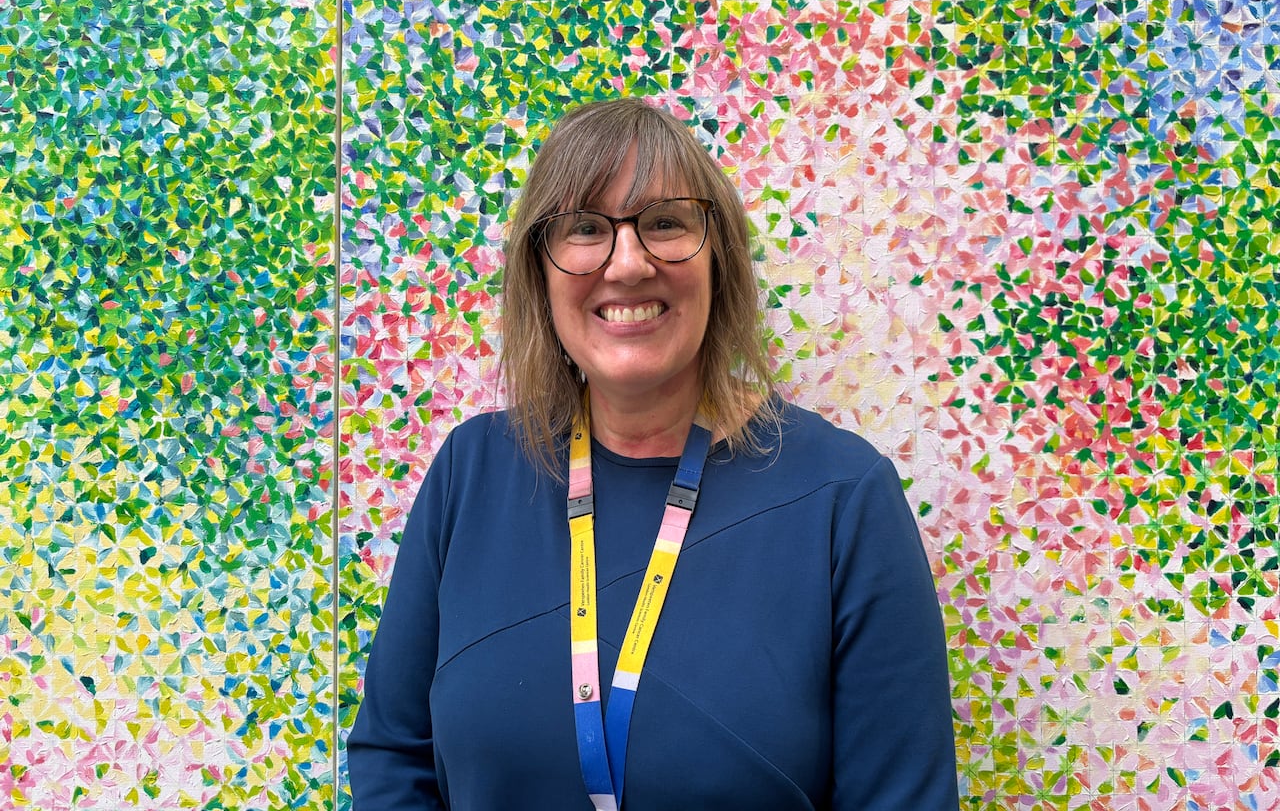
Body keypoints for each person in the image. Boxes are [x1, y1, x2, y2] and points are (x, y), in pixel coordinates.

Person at [347, 98, 960, 810]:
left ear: (719, 258)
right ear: (539, 273)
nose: (628, 263)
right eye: (584, 228)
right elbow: (395, 756)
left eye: (666, 222)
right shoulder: (471, 474)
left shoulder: (843, 501)